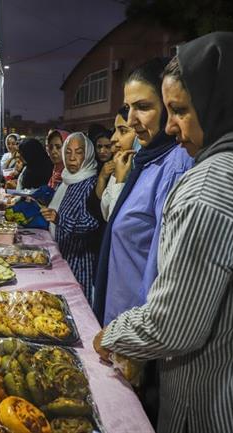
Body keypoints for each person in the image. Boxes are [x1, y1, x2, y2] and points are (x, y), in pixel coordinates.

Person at [95, 32, 233, 433]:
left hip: (222, 406)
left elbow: (174, 325)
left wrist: (111, 334)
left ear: (221, 101)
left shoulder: (215, 180)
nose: (172, 127)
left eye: (179, 110)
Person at [92, 58, 194, 326]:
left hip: (136, 334)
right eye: (128, 108)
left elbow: (164, 274)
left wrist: (136, 342)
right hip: (119, 324)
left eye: (144, 107)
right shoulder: (146, 161)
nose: (131, 120)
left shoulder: (176, 166)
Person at [41, 133, 99, 301]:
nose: (72, 157)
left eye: (78, 152)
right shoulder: (67, 179)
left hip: (79, 262)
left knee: (77, 306)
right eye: (68, 152)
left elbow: (91, 224)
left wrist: (60, 220)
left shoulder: (91, 184)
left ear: (87, 155)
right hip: (63, 254)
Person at [99, 106, 137, 221]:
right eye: (115, 130)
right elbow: (106, 212)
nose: (113, 138)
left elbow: (115, 221)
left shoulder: (146, 172)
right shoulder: (124, 165)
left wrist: (120, 181)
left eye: (123, 131)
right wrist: (116, 175)